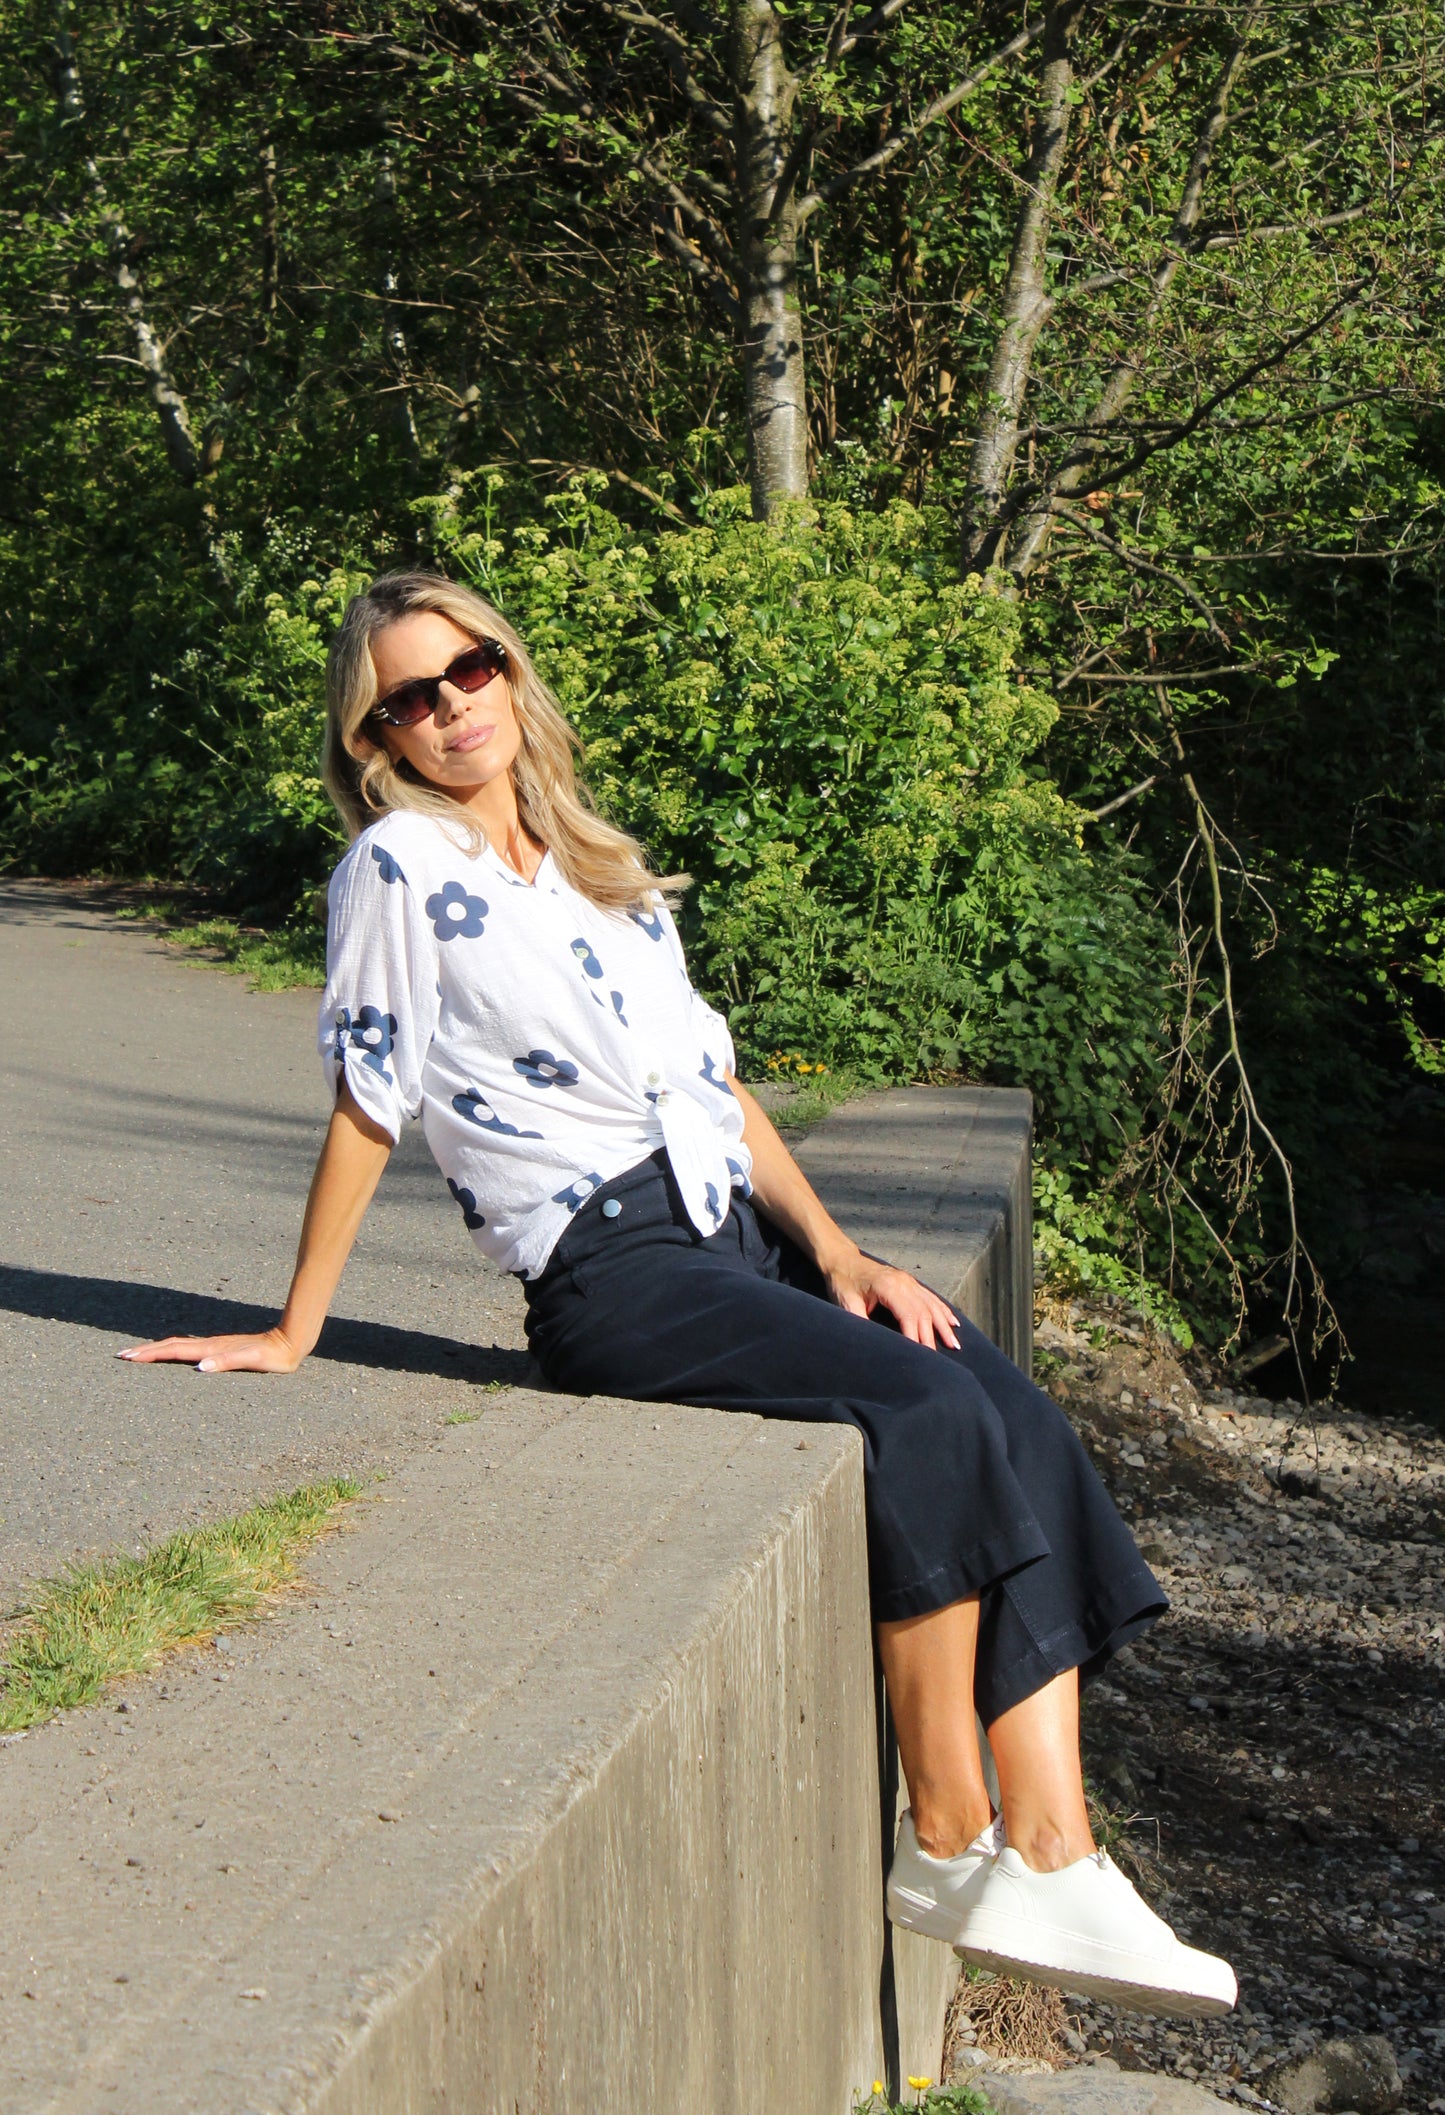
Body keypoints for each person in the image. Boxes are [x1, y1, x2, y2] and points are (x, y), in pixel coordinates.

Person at [123, 570, 1236, 2017]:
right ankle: (954, 1831)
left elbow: (710, 1088)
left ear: (508, 674)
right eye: (405, 699)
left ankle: (1054, 1850)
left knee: (999, 1399)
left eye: (463, 672)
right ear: (373, 738)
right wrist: (296, 1327)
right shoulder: (398, 870)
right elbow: (367, 1097)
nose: (446, 710)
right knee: (924, 1418)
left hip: (725, 1234)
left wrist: (837, 1254)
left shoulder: (602, 869)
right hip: (610, 1268)